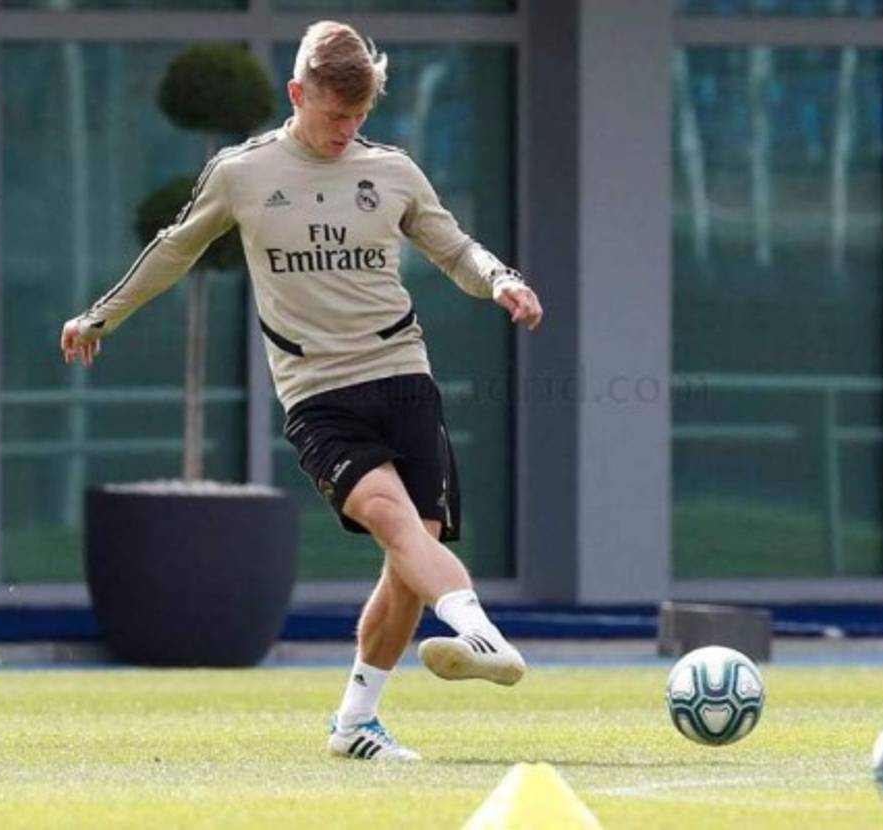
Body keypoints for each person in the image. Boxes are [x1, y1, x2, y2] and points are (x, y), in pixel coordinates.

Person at [59, 20, 543, 763]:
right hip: (318, 393)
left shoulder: (393, 171)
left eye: (359, 116)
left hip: (403, 377)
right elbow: (174, 249)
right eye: (334, 115)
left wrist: (500, 278)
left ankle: (355, 723)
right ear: (297, 94)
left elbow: (455, 248)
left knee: (412, 556)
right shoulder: (242, 172)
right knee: (395, 524)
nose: (346, 131)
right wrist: (101, 316)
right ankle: (480, 632)